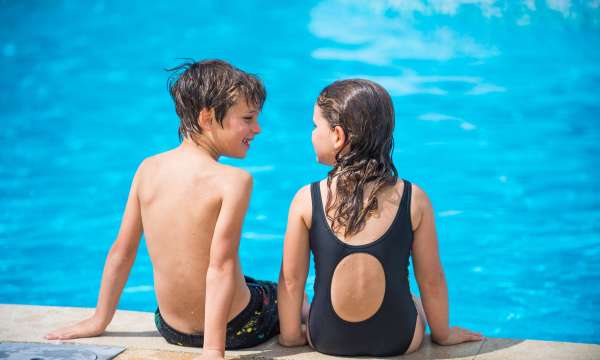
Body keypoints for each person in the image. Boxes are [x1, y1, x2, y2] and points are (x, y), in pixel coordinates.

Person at [45, 60, 279, 360]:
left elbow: (122, 251)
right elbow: (219, 267)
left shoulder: (148, 169)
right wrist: (212, 351)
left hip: (170, 328)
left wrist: (99, 320)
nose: (257, 129)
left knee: (246, 281)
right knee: (283, 295)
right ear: (207, 117)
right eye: (248, 118)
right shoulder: (234, 181)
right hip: (234, 329)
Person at [277, 79, 483, 356]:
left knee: (303, 299)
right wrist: (443, 334)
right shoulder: (413, 198)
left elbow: (291, 281)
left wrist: (291, 337)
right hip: (397, 340)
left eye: (316, 126)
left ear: (337, 135)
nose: (313, 134)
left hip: (328, 339)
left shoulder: (307, 199)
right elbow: (431, 279)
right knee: (415, 299)